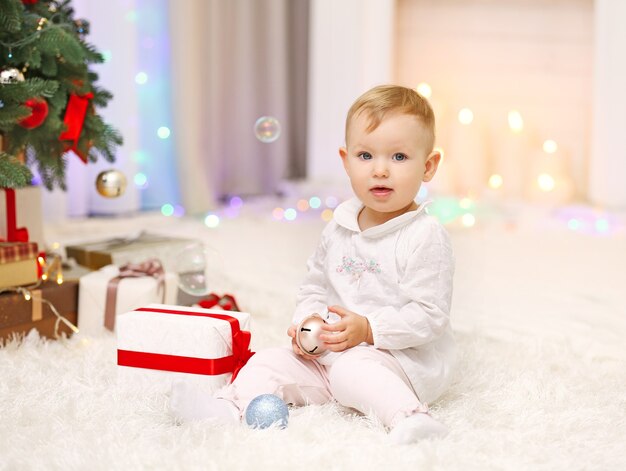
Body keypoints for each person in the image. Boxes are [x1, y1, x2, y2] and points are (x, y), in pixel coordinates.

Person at [170, 84, 456, 444]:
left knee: (353, 371)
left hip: (398, 360)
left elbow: (429, 315)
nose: (380, 170)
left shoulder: (423, 235)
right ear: (346, 160)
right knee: (269, 361)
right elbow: (315, 286)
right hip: (330, 355)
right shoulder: (339, 227)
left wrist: (369, 329)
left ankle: (410, 418)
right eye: (366, 156)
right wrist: (307, 324)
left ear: (428, 166)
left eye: (399, 157)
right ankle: (228, 409)